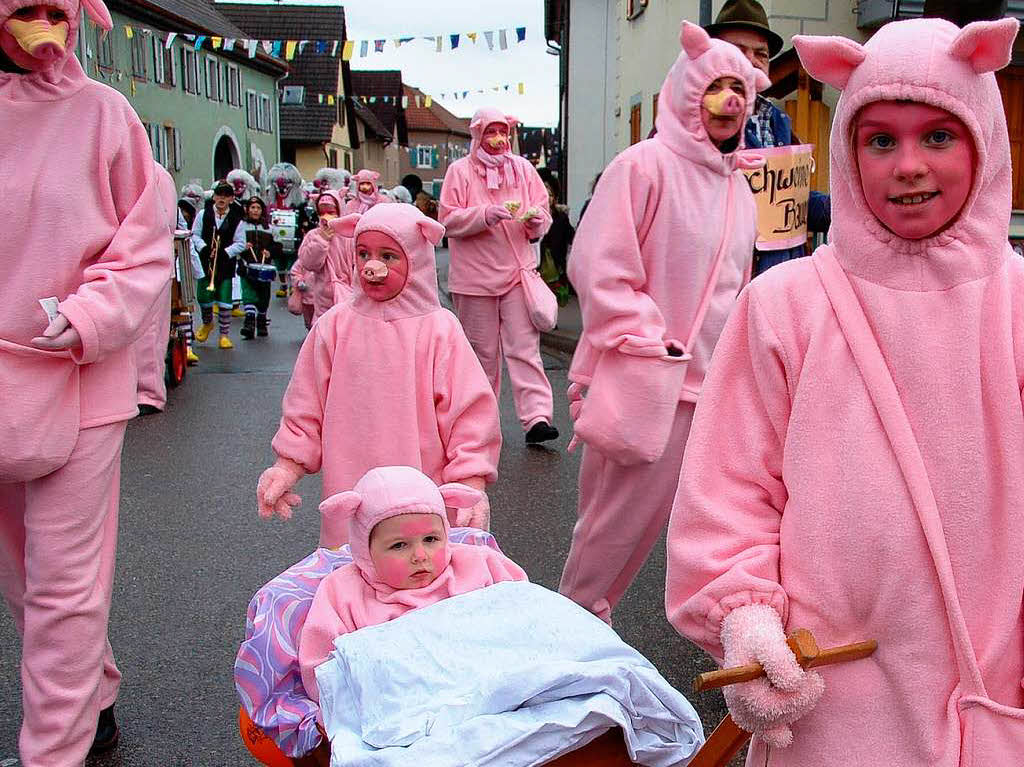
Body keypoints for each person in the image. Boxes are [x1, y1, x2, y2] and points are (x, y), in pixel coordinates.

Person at [666, 17, 1024, 765]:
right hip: (832, 708)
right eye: (881, 139)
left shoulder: (1018, 303)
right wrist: (748, 618)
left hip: (995, 703)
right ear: (847, 149)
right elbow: (730, 489)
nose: (908, 166)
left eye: (939, 137)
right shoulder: (786, 305)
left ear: (985, 139)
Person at [0, 1, 171, 763]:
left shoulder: (106, 114)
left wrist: (95, 313)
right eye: (26, 9)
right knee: (24, 579)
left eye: (56, 9)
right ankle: (91, 694)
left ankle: (53, 753)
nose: (47, 25)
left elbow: (144, 236)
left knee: (64, 593)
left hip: (79, 373)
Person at [559, 22, 768, 623]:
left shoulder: (739, 190)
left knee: (725, 525)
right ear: (685, 91)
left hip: (714, 388)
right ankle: (569, 636)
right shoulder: (643, 166)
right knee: (612, 530)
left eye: (739, 89)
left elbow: (737, 287)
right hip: (648, 383)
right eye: (716, 86)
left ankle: (740, 637)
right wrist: (650, 341)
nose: (729, 100)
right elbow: (600, 263)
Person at [257, 204, 501, 547]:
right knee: (354, 579)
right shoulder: (335, 326)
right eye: (363, 253)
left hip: (424, 495)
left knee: (424, 580)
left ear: (415, 258)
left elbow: (469, 412)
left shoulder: (439, 330)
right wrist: (287, 465)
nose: (372, 267)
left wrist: (470, 480)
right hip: (352, 495)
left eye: (389, 256)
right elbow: (306, 403)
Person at [291, 466, 527, 762]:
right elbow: (324, 673)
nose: (420, 555)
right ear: (365, 549)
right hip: (406, 715)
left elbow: (527, 618)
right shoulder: (342, 592)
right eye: (399, 545)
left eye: (431, 539)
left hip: (491, 694)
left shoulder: (481, 565)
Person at [440, 107, 560, 445]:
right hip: (474, 280)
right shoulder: (459, 172)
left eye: (503, 132)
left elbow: (542, 211)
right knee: (482, 355)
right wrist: (484, 215)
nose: (498, 140)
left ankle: (537, 417)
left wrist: (536, 221)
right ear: (478, 135)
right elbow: (447, 221)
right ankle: (481, 422)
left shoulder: (522, 169)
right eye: (491, 133)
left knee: (524, 349)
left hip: (516, 275)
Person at [705, 0, 831, 276]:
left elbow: (788, 201)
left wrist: (840, 210)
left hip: (777, 285)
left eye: (760, 54)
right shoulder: (688, 122)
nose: (750, 61)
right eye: (738, 51)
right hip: (720, 283)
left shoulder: (778, 121)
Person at [132, 163, 179, 415]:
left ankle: (148, 392)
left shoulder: (154, 174)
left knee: (149, 332)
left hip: (149, 260)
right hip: (125, 260)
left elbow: (162, 222)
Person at [191, 180, 247, 349]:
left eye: (226, 196)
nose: (221, 198)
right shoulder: (203, 214)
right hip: (206, 261)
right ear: (214, 196)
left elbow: (241, 243)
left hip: (225, 263)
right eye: (219, 195)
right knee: (204, 297)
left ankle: (224, 335)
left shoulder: (237, 219)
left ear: (231, 199)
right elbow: (194, 235)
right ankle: (207, 323)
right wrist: (204, 248)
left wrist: (226, 252)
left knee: (224, 299)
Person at [296, 190, 353, 322]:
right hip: (324, 295)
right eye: (322, 213)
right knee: (324, 331)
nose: (326, 216)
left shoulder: (350, 235)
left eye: (331, 212)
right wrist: (321, 240)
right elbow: (308, 264)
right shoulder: (313, 235)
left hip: (350, 292)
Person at [238, 196, 279, 339]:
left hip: (264, 268)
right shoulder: (241, 226)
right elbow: (235, 243)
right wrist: (243, 247)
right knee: (248, 294)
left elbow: (277, 245)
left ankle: (261, 321)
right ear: (248, 210)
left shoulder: (269, 228)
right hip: (246, 266)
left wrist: (270, 252)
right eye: (252, 208)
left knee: (263, 297)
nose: (255, 211)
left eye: (258, 208)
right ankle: (249, 323)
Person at [266, 162, 308, 297]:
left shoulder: (299, 202)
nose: (282, 186)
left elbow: (303, 218)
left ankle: (291, 284)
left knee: (292, 260)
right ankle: (283, 284)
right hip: (276, 236)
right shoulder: (272, 201)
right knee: (279, 261)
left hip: (293, 236)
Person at [539, 175, 575, 306]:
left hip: (555, 261)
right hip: (538, 261)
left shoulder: (561, 217)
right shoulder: (533, 215)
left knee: (555, 293)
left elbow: (572, 236)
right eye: (543, 194)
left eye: (550, 195)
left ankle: (550, 316)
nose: (547, 198)